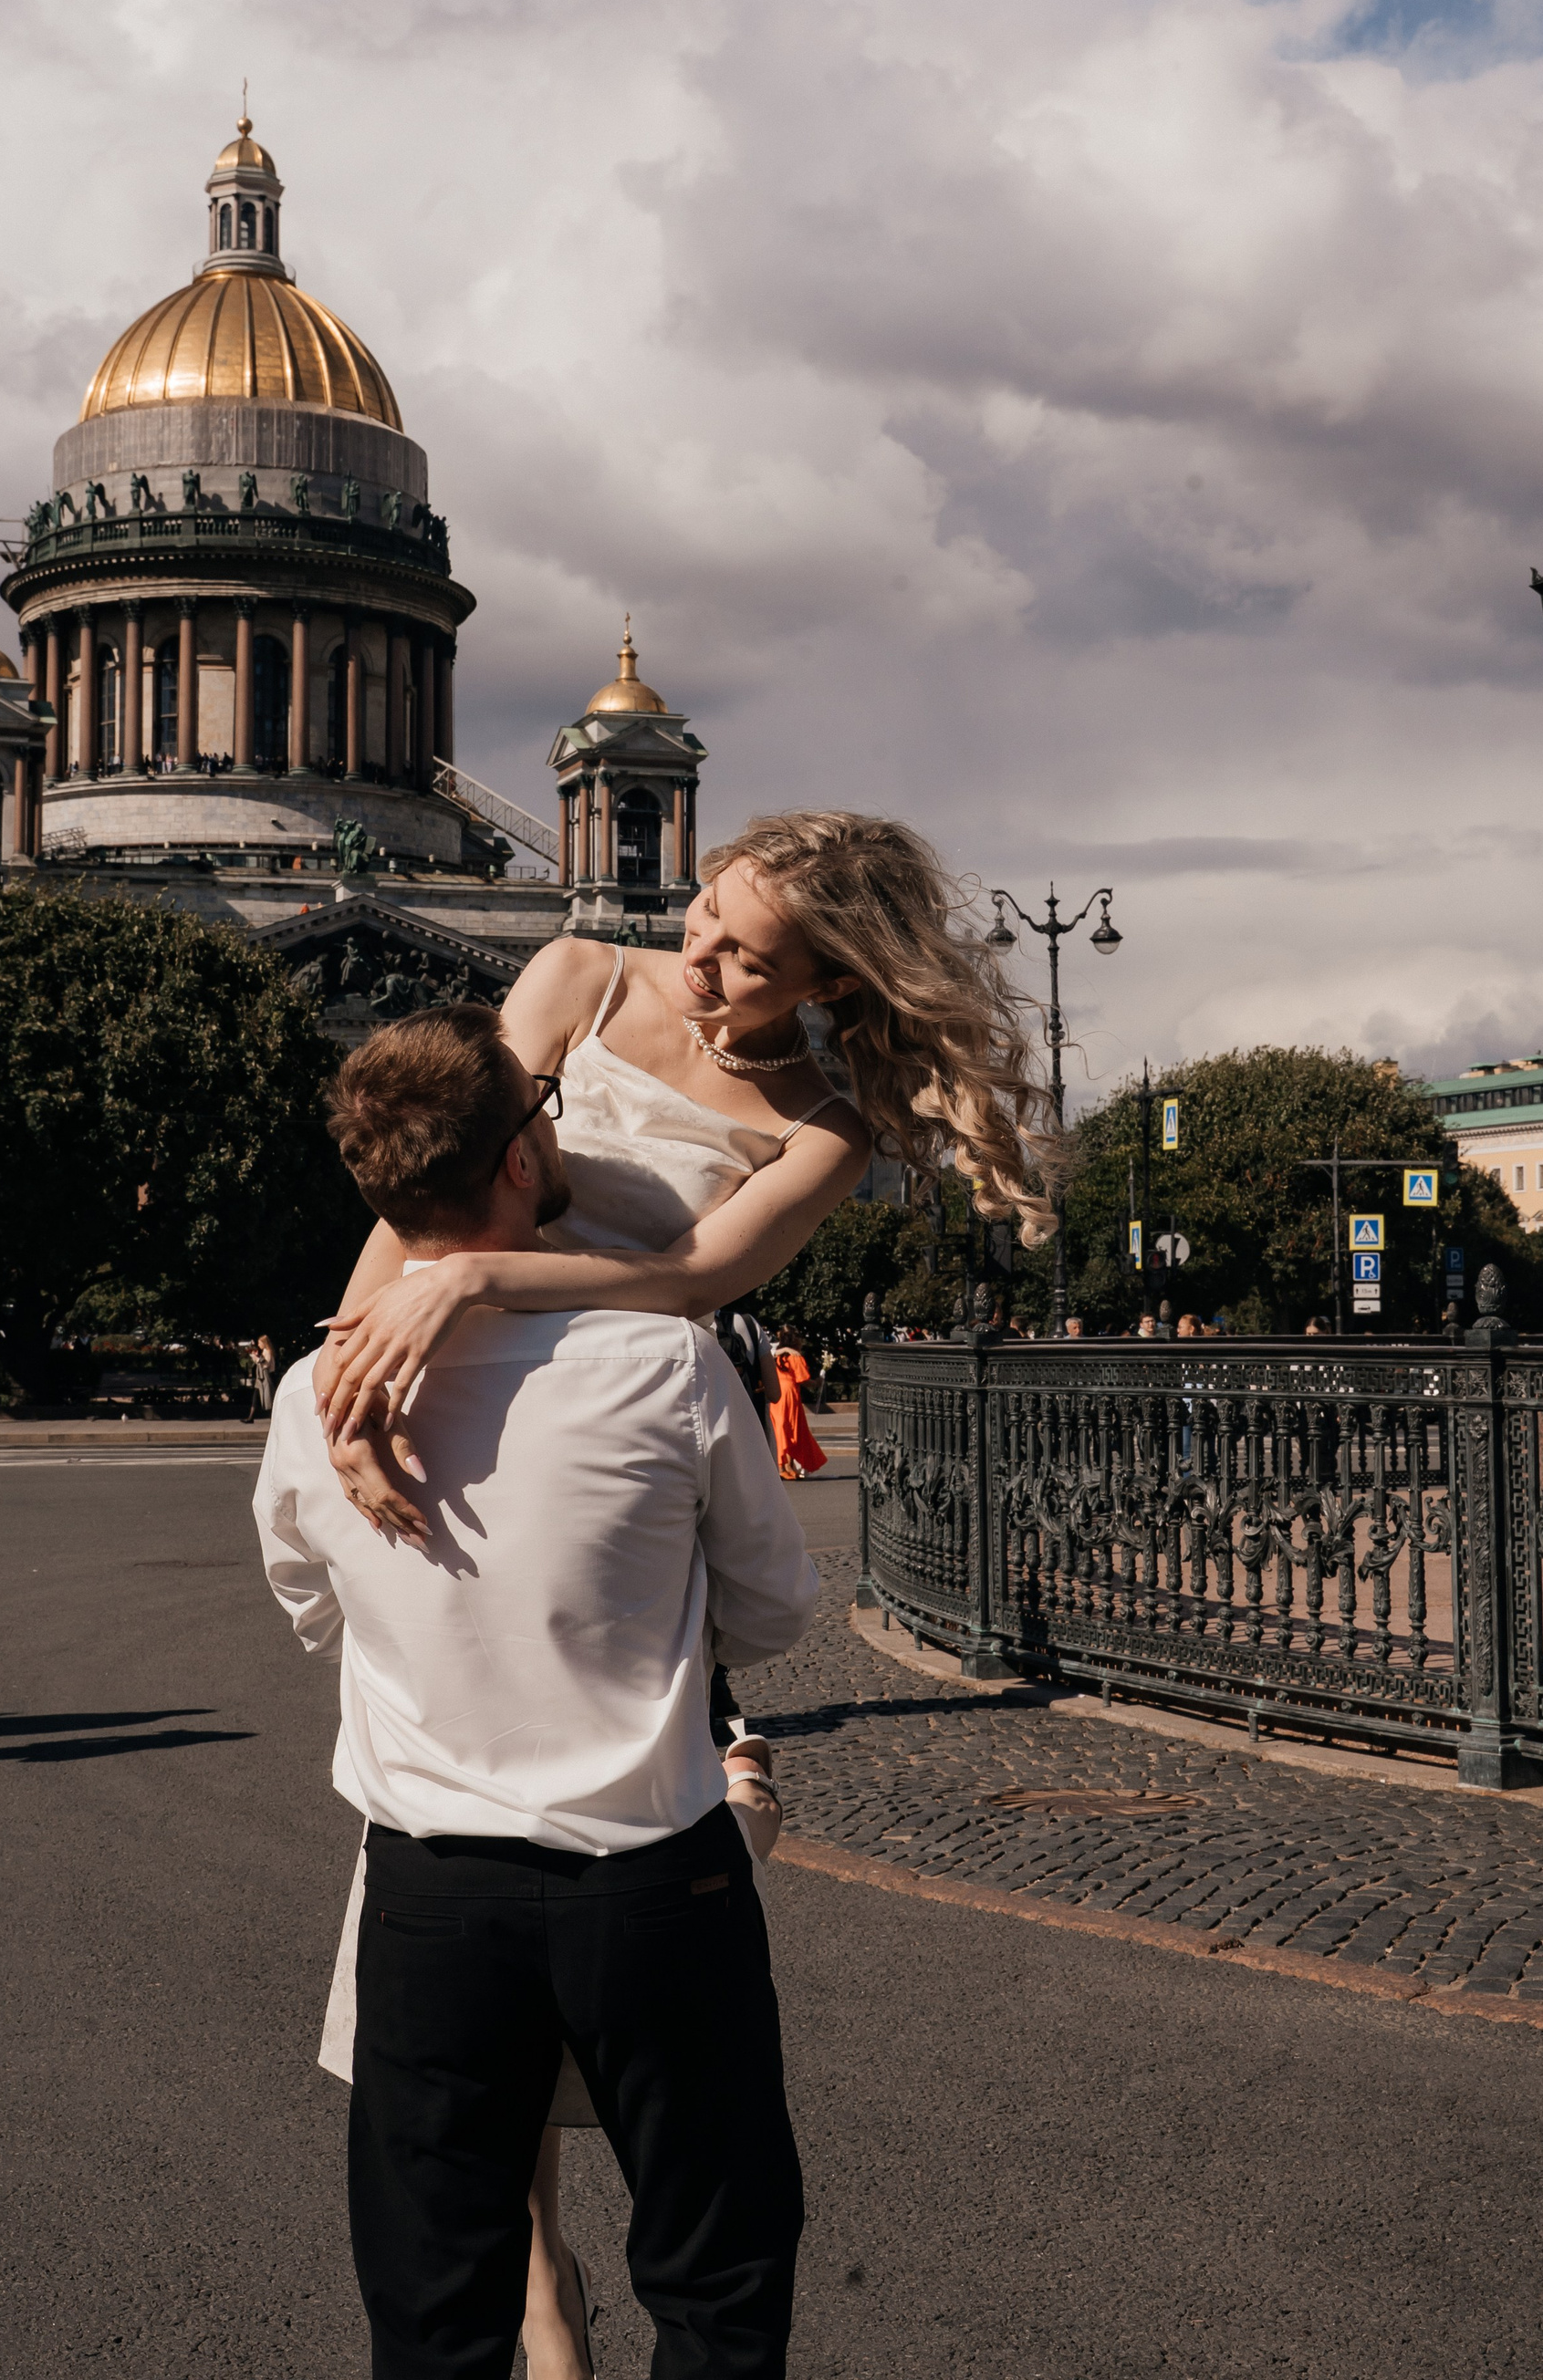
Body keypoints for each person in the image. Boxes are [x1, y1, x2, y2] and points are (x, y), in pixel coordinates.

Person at [310, 810, 1059, 2375]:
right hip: (451, 1389)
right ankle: (538, 2282)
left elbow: (694, 1284)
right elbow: (435, 1185)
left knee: (558, 1873)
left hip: (621, 1428)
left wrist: (480, 1279)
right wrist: (349, 1381)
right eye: (706, 916)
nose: (699, 958)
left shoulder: (830, 1123)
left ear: (832, 982)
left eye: (747, 958)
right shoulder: (578, 975)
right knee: (461, 1866)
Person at [255, 1006, 818, 2375]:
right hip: (657, 1888)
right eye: (545, 1110)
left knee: (434, 2311)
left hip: (431, 1902)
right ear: (518, 1159)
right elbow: (773, 1613)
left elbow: (315, 1613)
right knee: (717, 2284)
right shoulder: (666, 1365)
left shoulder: (314, 1402)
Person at [767, 1324, 826, 1480]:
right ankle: (785, 1466)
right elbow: (803, 1379)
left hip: (776, 1393)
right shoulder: (795, 1356)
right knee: (791, 1428)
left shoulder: (776, 1355)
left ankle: (784, 1465)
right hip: (790, 1394)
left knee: (780, 1428)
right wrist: (817, 1382)